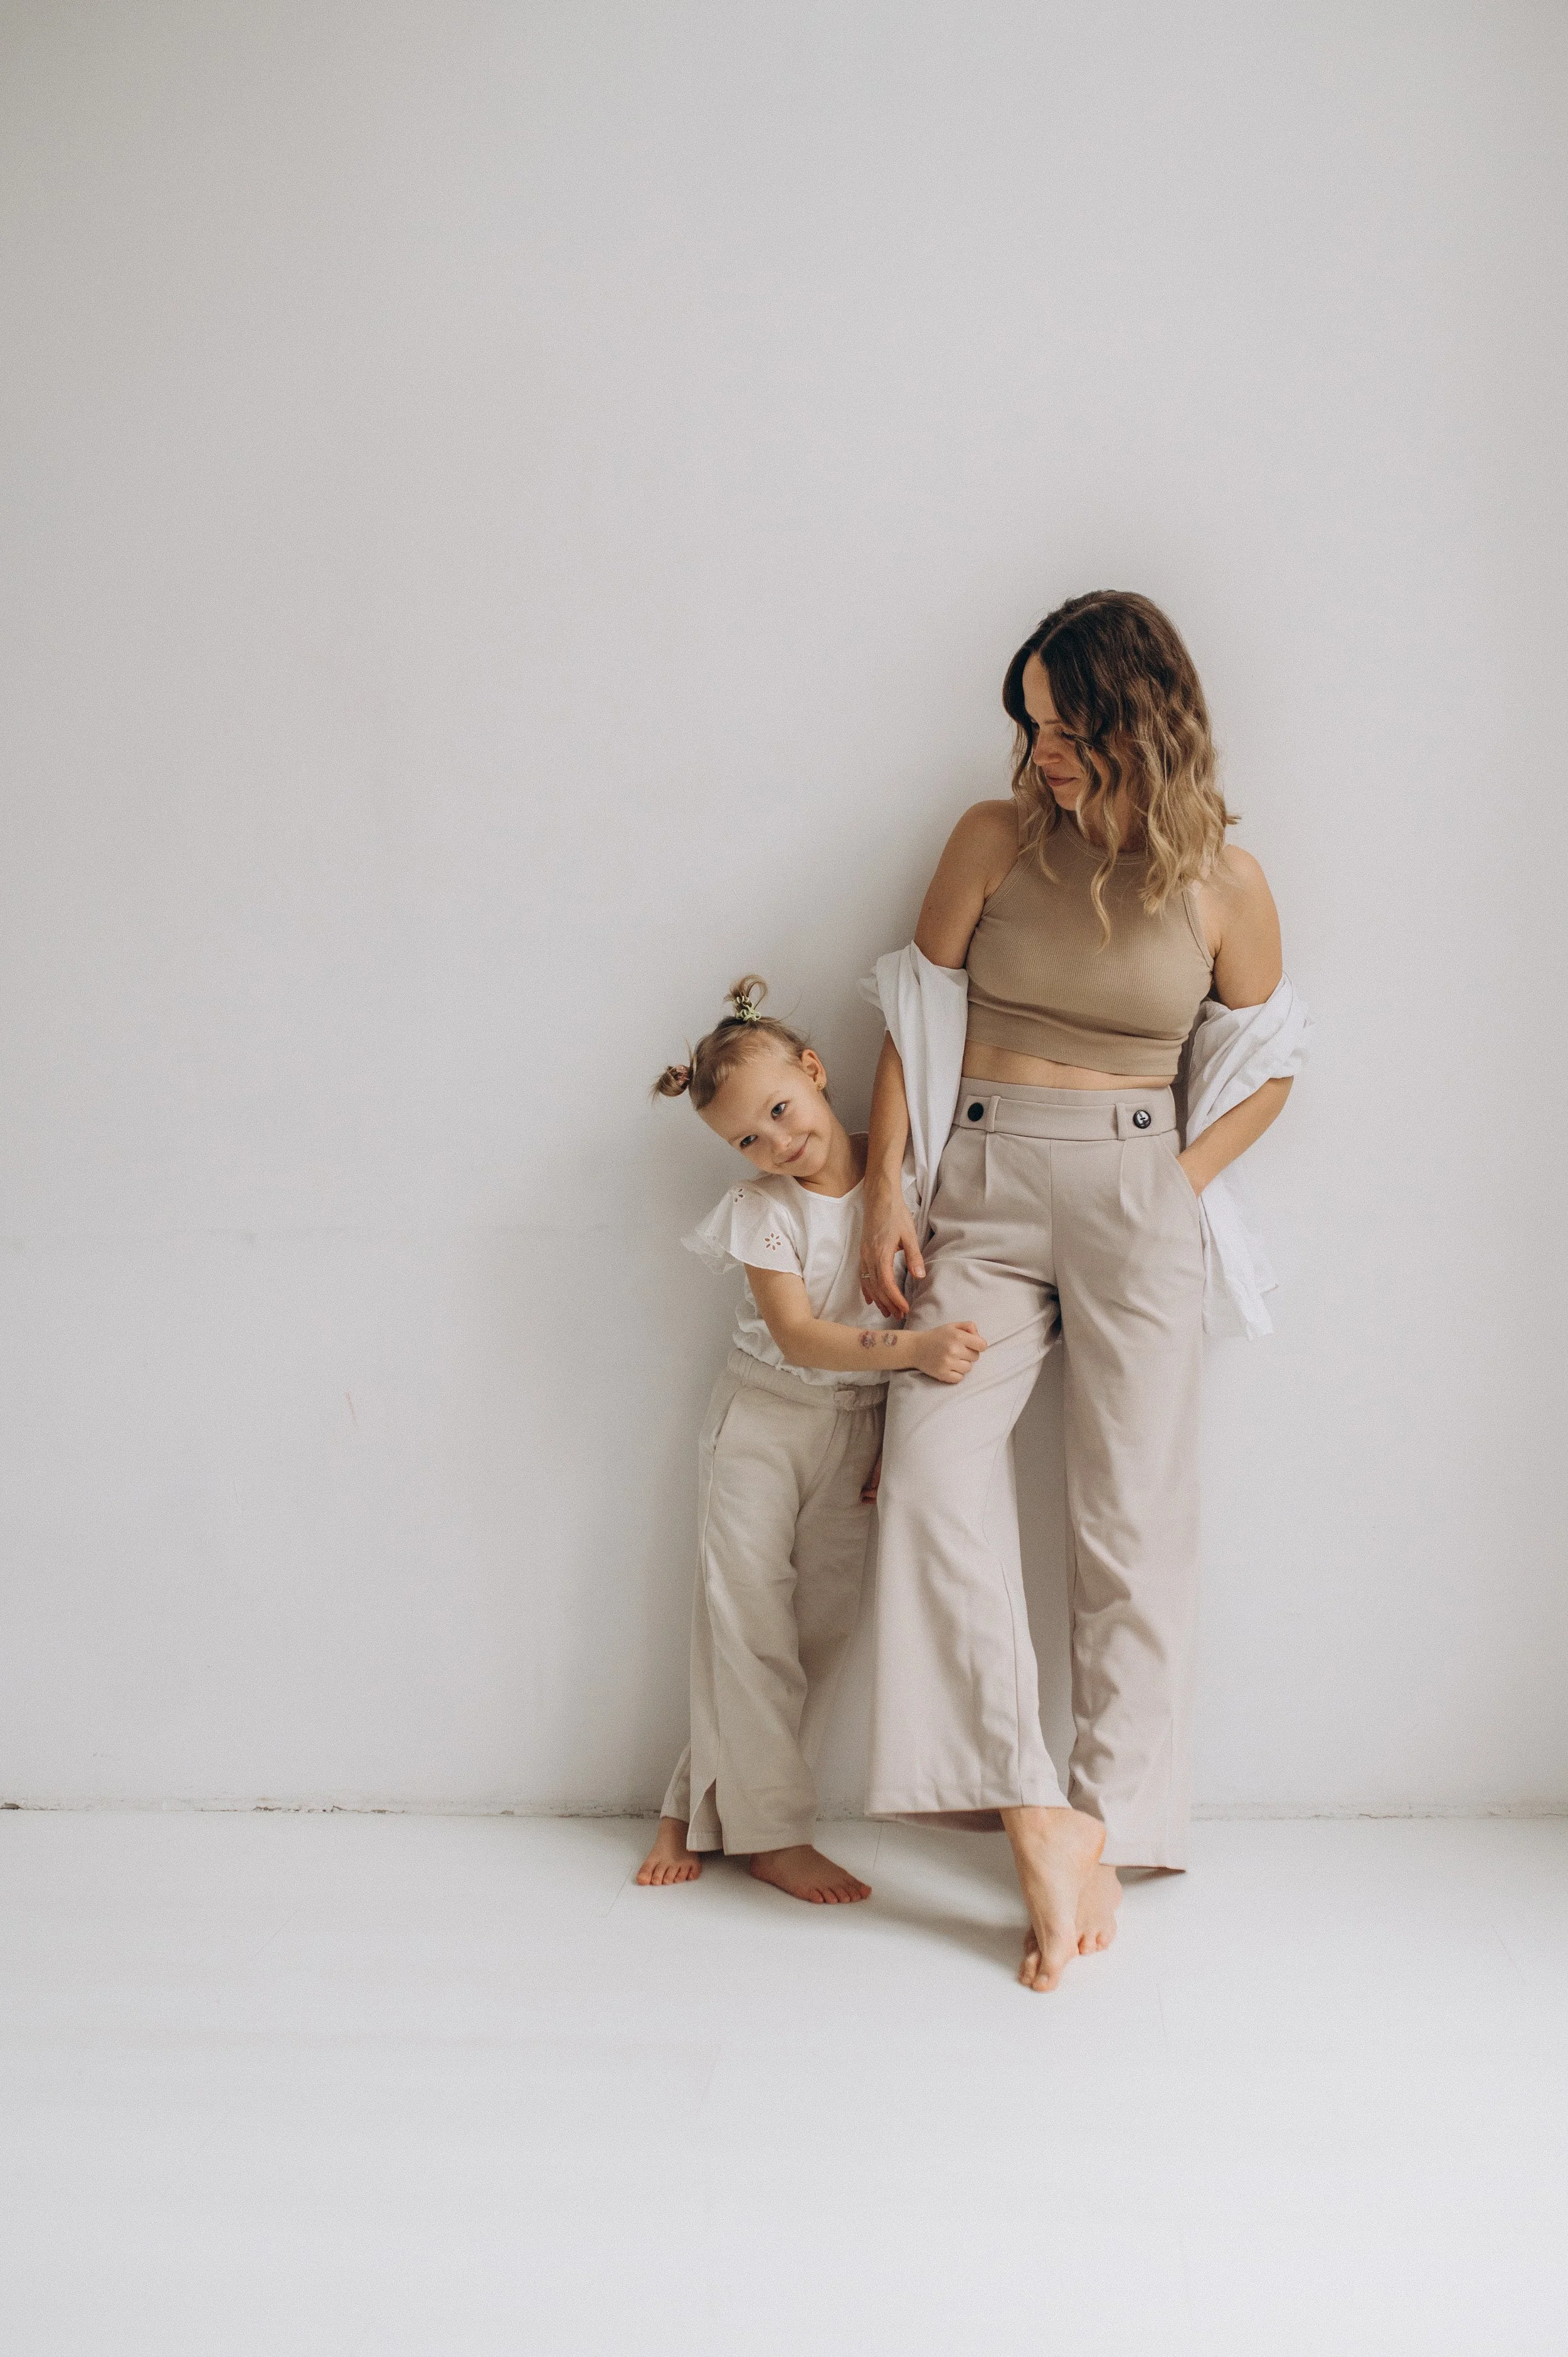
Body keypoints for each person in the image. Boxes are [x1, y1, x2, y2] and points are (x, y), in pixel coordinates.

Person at [858, 591, 1295, 1990]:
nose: (1041, 747)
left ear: (1139, 716)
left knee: (1130, 1521)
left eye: (1068, 721)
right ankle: (1026, 1807)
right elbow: (912, 1011)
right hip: (975, 1192)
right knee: (929, 1476)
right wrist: (881, 1183)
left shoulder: (1222, 879)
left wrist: (1175, 1182)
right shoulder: (991, 841)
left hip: (1134, 1190)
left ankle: (1108, 1824)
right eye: (1030, 720)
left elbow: (1271, 1058)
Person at [637, 977, 986, 1903]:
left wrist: (889, 1439)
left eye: (783, 1111)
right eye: (749, 1138)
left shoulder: (899, 1179)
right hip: (762, 1419)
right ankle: (774, 1834)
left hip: (857, 1425)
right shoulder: (765, 1212)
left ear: (816, 1071)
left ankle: (692, 1803)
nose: (778, 1143)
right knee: (744, 1621)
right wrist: (911, 1351)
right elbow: (798, 1335)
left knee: (818, 1632)